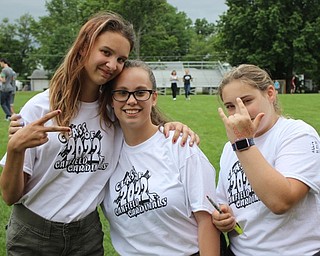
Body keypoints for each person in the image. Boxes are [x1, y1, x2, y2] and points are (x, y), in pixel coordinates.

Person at [0, 12, 198, 256]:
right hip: (34, 233)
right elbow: (10, 196)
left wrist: (175, 126)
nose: (113, 64)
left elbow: (148, 124)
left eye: (121, 58)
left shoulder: (114, 110)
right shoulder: (41, 108)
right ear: (84, 48)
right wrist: (15, 149)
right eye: (106, 52)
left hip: (86, 236)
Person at [101, 60, 220, 255]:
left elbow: (207, 220)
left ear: (154, 97)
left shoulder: (180, 146)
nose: (131, 100)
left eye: (140, 92)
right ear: (111, 100)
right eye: (122, 93)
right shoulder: (106, 154)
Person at [212, 64, 320, 256]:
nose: (239, 111)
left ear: (270, 93)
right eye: (230, 106)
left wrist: (243, 143)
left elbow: (281, 202)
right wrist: (223, 216)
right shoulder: (230, 148)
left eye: (246, 101)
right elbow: (224, 202)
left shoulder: (297, 134)